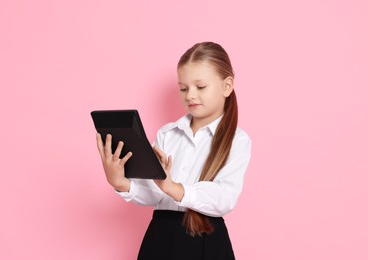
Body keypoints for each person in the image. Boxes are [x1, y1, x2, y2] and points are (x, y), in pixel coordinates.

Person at [96, 42, 251, 259]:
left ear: (227, 86)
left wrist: (174, 188)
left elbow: (224, 198)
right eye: (184, 88)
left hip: (207, 241)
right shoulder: (167, 134)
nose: (190, 95)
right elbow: (155, 191)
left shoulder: (238, 140)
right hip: (161, 237)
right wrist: (121, 183)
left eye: (201, 87)